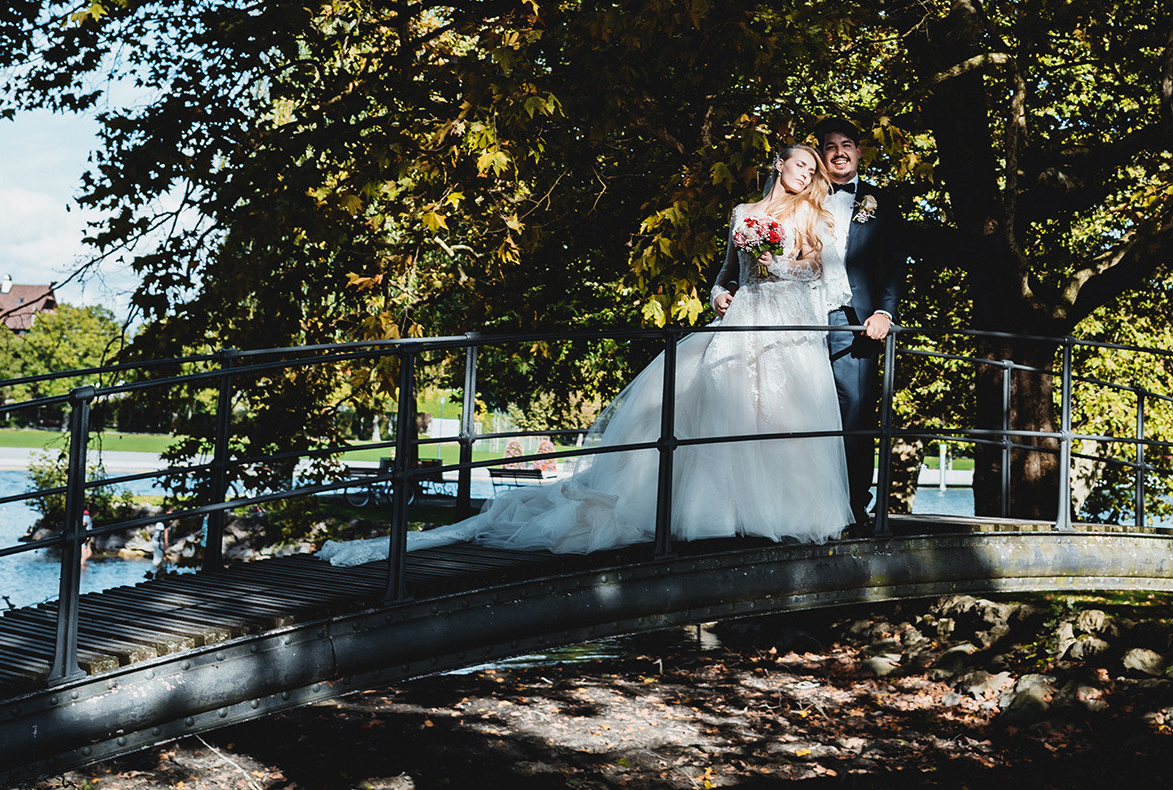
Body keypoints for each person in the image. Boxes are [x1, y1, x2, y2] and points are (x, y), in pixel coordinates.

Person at [319, 143, 853, 564]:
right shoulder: (745, 212)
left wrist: (773, 264)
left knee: (780, 414)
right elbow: (726, 274)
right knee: (719, 408)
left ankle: (782, 512)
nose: (805, 174)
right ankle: (721, 513)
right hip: (741, 320)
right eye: (799, 164)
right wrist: (719, 291)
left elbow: (820, 278)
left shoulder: (814, 217)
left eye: (812, 168)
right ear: (779, 164)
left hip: (783, 330)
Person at [717, 116, 907, 524]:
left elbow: (892, 264)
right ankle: (773, 504)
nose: (839, 152)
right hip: (789, 316)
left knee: (853, 407)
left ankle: (853, 505)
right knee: (781, 405)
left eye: (847, 144)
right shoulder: (799, 198)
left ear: (858, 152)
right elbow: (743, 261)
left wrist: (883, 311)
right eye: (829, 146)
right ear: (820, 156)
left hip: (849, 318)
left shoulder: (878, 203)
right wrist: (721, 289)